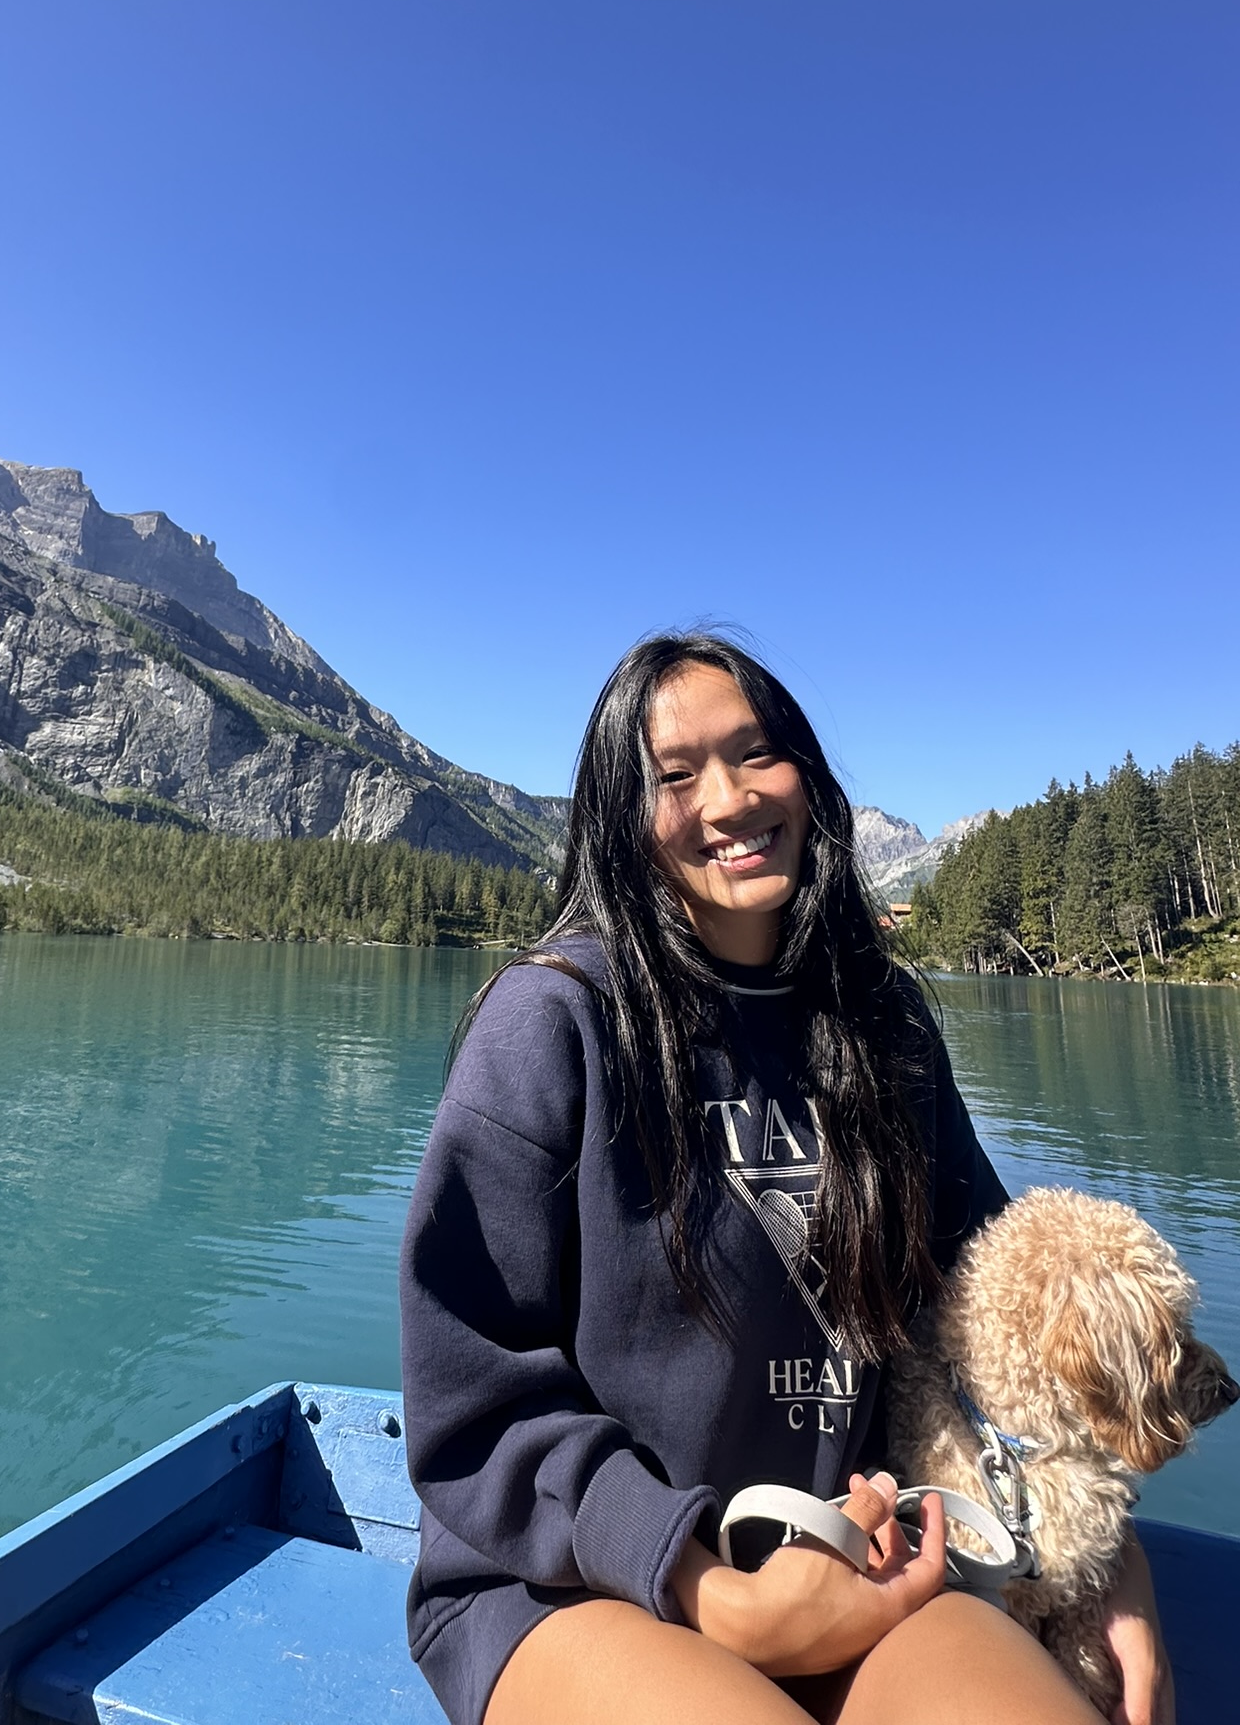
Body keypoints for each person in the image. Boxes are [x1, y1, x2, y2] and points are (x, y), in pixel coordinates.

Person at [398, 633, 1171, 1725]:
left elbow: (995, 1305)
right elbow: (469, 1399)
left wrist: (1107, 1554)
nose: (727, 796)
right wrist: (704, 1585)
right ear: (624, 820)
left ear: (805, 773)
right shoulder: (554, 1019)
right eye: (674, 774)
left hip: (863, 1554)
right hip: (574, 1581)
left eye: (756, 752)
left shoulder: (884, 1018)